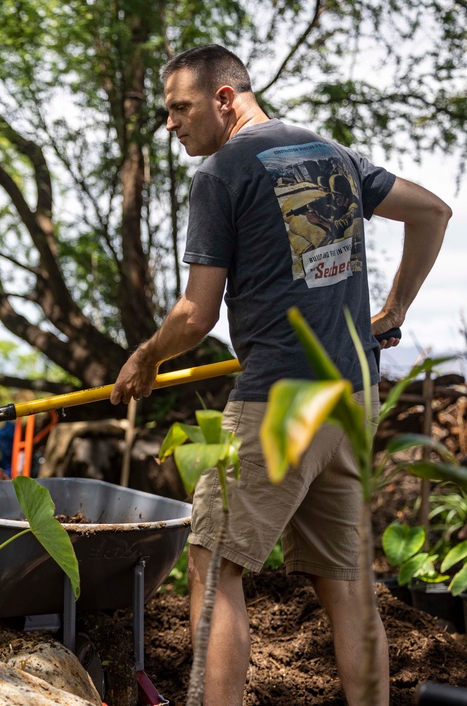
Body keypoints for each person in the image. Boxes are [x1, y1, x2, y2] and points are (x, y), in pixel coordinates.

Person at [109, 44, 450, 704]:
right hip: (351, 394)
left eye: (179, 108)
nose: (170, 124)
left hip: (279, 401)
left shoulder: (221, 173)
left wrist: (145, 357)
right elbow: (433, 213)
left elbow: (196, 313)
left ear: (226, 98)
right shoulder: (336, 155)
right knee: (348, 581)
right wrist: (394, 309)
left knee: (213, 564)